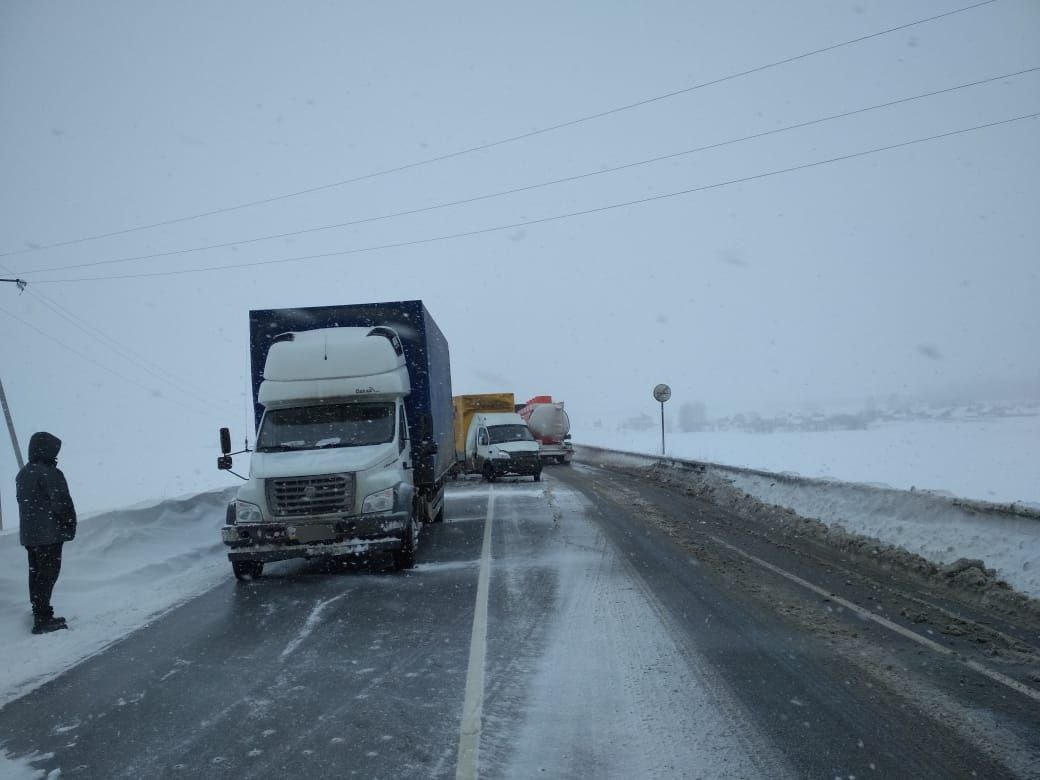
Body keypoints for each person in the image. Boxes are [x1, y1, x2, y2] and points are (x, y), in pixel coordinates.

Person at [16, 432, 77, 635]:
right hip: (49, 534)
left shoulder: (23, 473)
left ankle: (40, 612)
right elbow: (61, 503)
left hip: (30, 536)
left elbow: (24, 503)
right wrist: (69, 525)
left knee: (36, 573)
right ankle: (42, 619)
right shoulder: (50, 473)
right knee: (48, 574)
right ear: (47, 450)